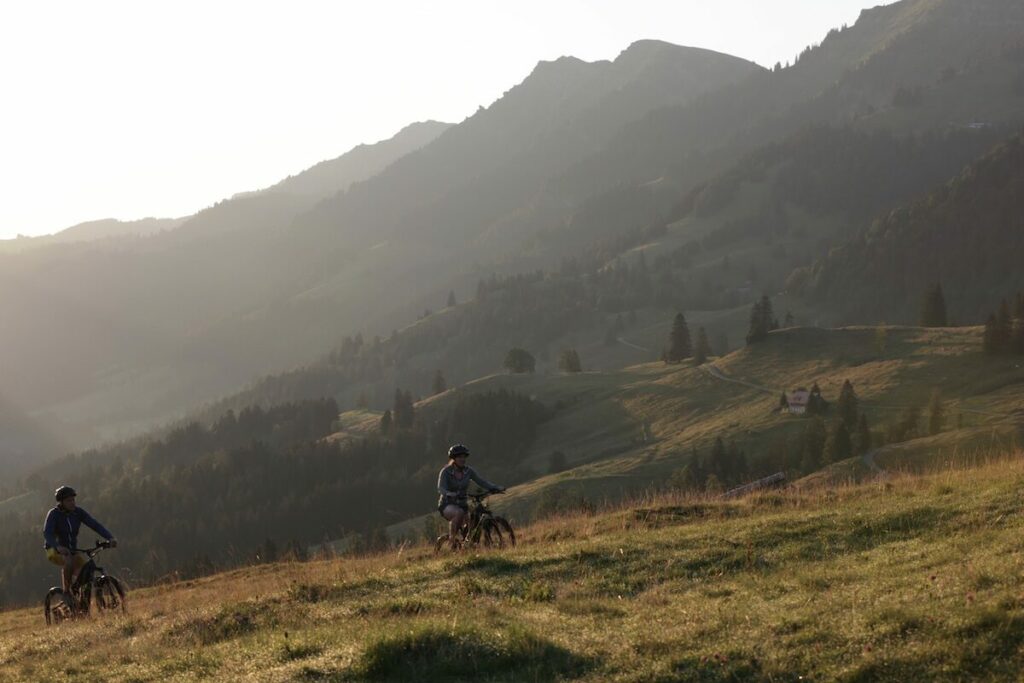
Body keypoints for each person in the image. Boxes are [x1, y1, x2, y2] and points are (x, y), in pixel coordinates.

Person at [43, 486, 117, 599]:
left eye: (73, 500)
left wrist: (110, 538)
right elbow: (47, 533)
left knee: (85, 575)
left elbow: (94, 525)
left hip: (72, 550)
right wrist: (57, 547)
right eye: (69, 501)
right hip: (54, 550)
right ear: (61, 502)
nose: (72, 503)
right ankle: (66, 593)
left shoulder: (78, 512)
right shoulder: (54, 514)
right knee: (69, 561)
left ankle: (82, 606)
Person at [437, 444, 504, 545]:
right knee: (458, 513)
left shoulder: (468, 471)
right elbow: (441, 488)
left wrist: (495, 487)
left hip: (462, 504)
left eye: (464, 457)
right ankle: (452, 541)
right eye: (460, 457)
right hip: (447, 504)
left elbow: (481, 481)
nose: (462, 459)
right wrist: (449, 493)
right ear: (454, 458)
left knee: (473, 520)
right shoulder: (446, 472)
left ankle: (469, 543)